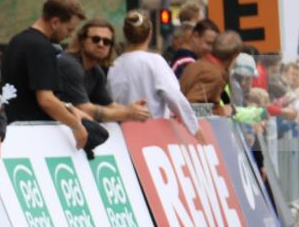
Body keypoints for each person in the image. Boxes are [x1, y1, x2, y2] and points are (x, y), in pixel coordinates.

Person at [0, 0, 90, 149]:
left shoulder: (17, 41)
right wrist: (76, 126)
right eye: (69, 29)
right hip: (33, 137)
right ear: (55, 22)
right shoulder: (42, 48)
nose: (70, 35)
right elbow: (46, 100)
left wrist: (69, 109)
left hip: (12, 130)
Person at [108, 10, 202, 139]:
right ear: (150, 34)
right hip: (154, 138)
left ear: (125, 34)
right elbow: (175, 98)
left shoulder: (114, 66)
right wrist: (196, 131)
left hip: (123, 137)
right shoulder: (155, 62)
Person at [56, 19, 150, 124]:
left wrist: (135, 110)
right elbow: (85, 109)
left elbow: (109, 105)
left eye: (107, 42)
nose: (101, 44)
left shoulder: (96, 72)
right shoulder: (70, 65)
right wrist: (127, 113)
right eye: (96, 39)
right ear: (82, 41)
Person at [180, 30, 243, 117]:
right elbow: (190, 109)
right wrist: (221, 111)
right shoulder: (213, 75)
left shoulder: (198, 64)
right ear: (235, 56)